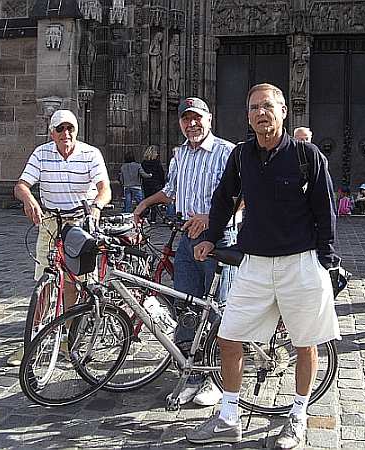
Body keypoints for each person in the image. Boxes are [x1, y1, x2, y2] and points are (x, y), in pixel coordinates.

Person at [188, 83, 341, 448]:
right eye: (254, 108)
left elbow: (325, 210)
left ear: (283, 111)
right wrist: (210, 235)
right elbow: (224, 198)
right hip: (253, 265)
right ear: (248, 116)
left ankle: (298, 414)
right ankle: (228, 417)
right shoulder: (241, 156)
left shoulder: (308, 156)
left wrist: (328, 263)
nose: (261, 113)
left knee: (305, 344)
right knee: (228, 338)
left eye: (268, 107)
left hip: (299, 262)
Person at [134, 97, 235, 407]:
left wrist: (210, 218)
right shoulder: (179, 156)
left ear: (209, 118)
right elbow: (171, 191)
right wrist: (144, 204)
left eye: (197, 117)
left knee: (216, 309)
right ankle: (193, 375)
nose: (191, 123)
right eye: (185, 118)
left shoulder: (227, 152)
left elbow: (243, 198)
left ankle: (216, 376)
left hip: (219, 241)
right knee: (186, 308)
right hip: (187, 240)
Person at [8, 109, 111, 366]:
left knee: (72, 285)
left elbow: (104, 189)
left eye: (70, 129)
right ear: (52, 132)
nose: (66, 134)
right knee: (44, 282)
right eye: (60, 129)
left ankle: (66, 339)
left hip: (79, 222)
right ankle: (33, 342)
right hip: (51, 222)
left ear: (76, 131)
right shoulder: (42, 153)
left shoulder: (90, 154)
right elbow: (21, 185)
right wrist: (28, 198)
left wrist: (97, 206)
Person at [141, 145, 165, 224]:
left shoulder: (144, 163)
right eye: (156, 153)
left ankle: (145, 217)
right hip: (155, 184)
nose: (157, 154)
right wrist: (163, 184)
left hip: (147, 184)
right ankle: (153, 218)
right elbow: (161, 174)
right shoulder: (157, 163)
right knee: (154, 202)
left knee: (148, 202)